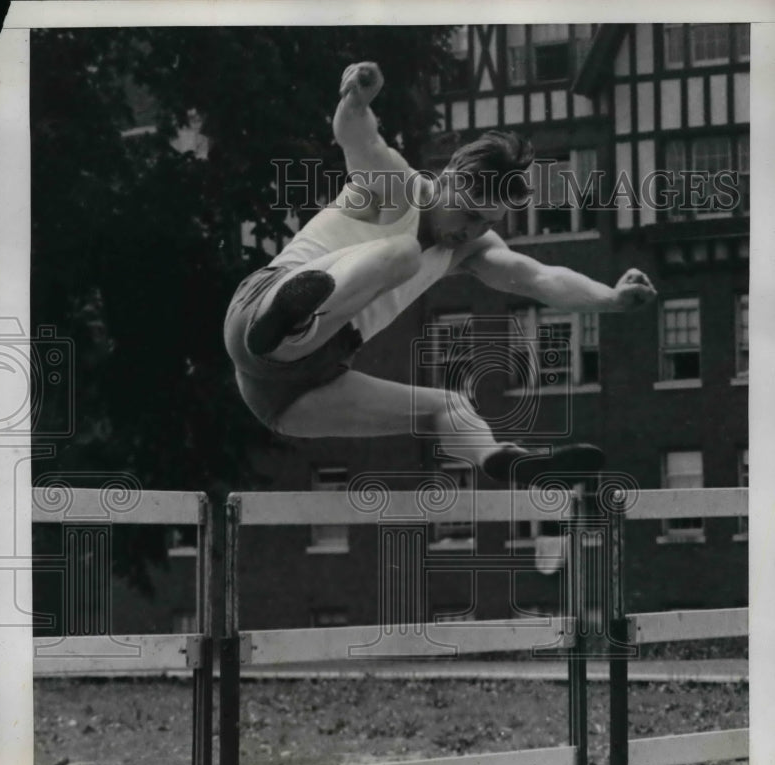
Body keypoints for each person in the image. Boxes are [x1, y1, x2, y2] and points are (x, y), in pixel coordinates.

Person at [224, 61, 657, 486]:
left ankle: (507, 462)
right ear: (447, 179)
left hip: (292, 397)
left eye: (487, 223)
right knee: (403, 256)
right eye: (468, 214)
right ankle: (290, 320)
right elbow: (359, 140)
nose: (471, 231)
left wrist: (610, 298)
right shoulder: (396, 186)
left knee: (449, 407)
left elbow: (537, 277)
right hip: (256, 315)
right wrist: (356, 99)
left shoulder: (471, 247)